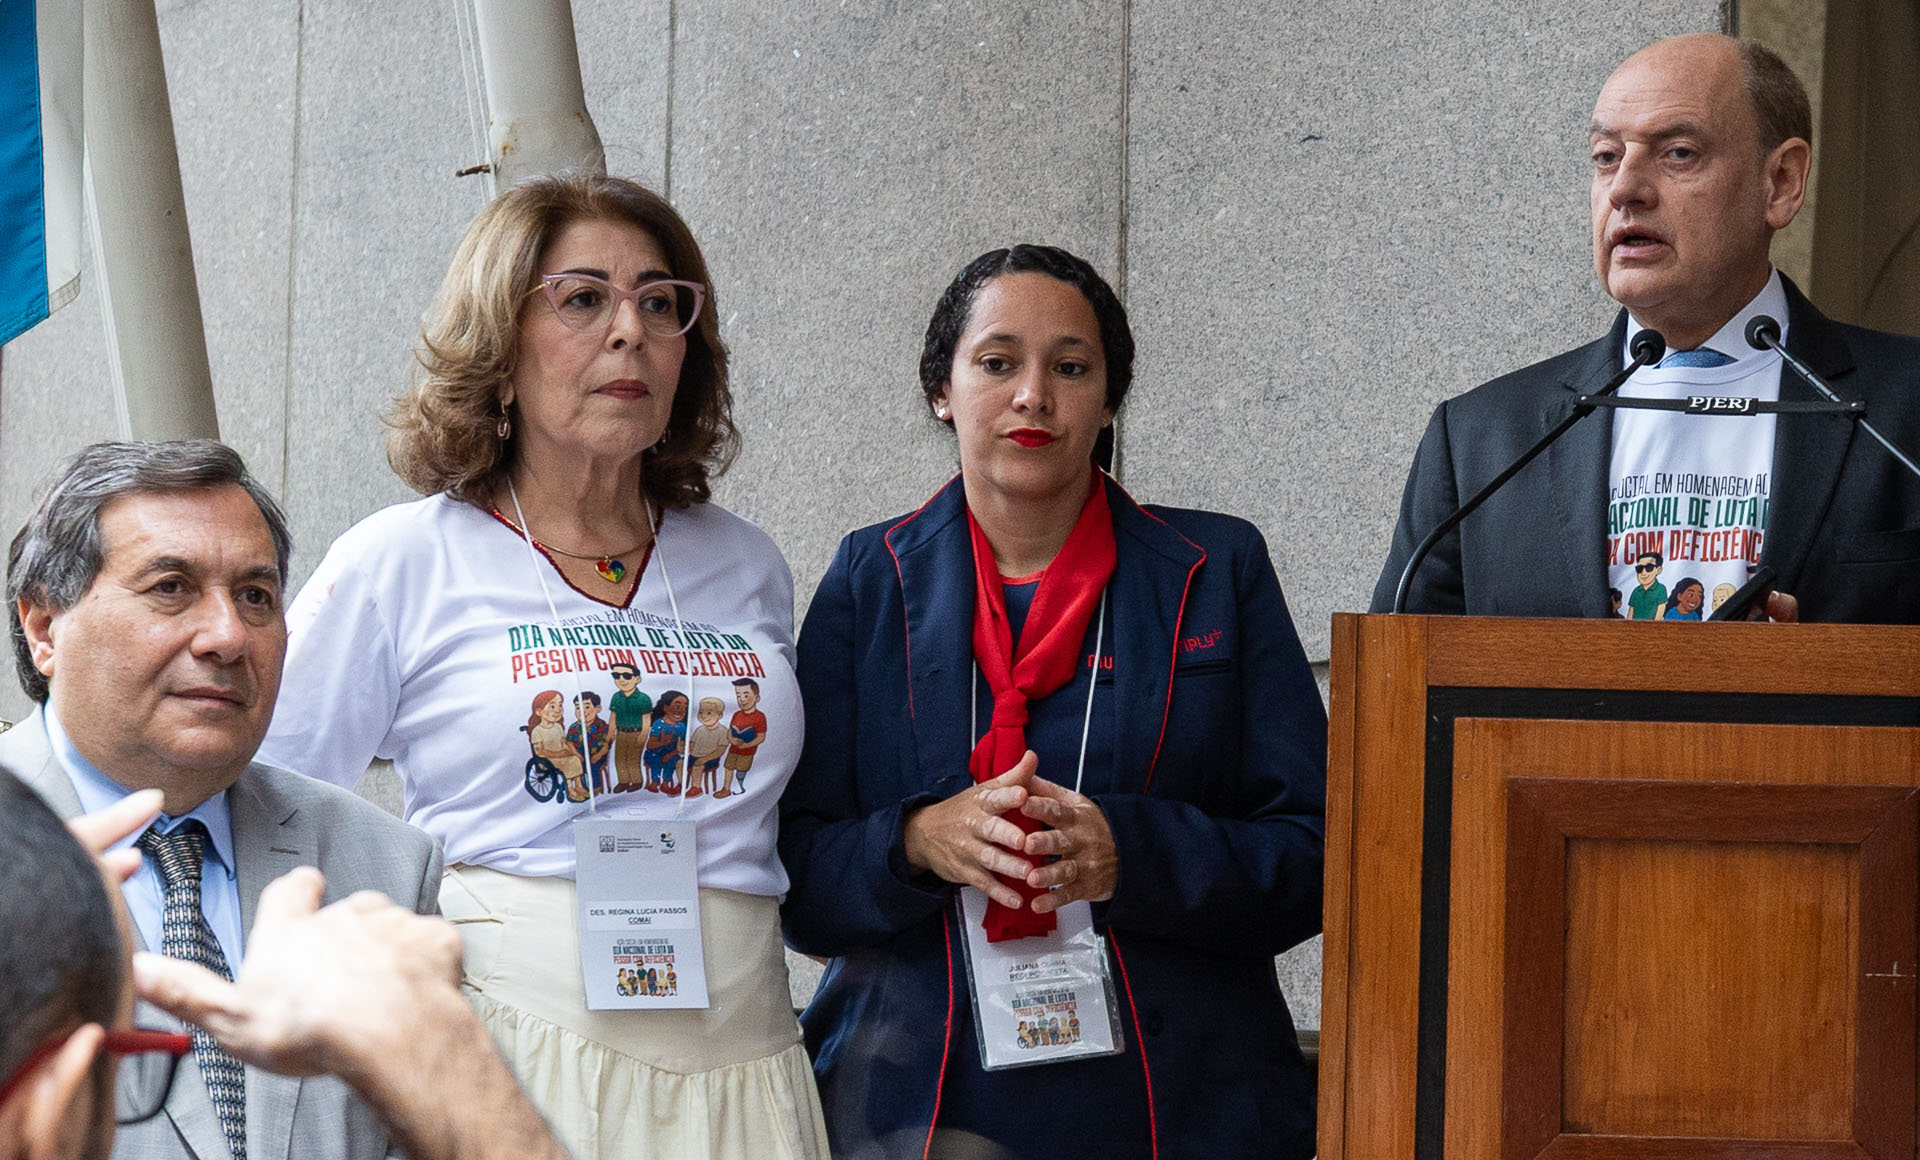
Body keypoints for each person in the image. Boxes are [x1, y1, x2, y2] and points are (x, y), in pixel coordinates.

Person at [255, 174, 829, 1160]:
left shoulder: (746, 563)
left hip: (748, 1063)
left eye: (661, 302)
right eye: (583, 298)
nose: (630, 331)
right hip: (511, 1059)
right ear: (500, 350)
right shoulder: (403, 560)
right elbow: (267, 799)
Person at [778, 245, 1327, 1158]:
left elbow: (1318, 852)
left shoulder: (1214, 570)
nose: (1033, 395)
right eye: (998, 363)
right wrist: (917, 841)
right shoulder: (869, 579)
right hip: (913, 1109)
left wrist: (1131, 853)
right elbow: (795, 876)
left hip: (1179, 1102)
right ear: (942, 390)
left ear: (1109, 401)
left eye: (1070, 368)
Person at [1374, 34, 1920, 623]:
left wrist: (1816, 668)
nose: (1624, 189)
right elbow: (1398, 670)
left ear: (1781, 182)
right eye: (1606, 156)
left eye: (1678, 153)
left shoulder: (1904, 410)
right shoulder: (1482, 440)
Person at [2, 440, 443, 1160]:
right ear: (45, 628)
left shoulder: (387, 868)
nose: (228, 636)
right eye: (170, 587)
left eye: (255, 596)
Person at [0, 775, 567, 1160]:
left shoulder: (393, 857)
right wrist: (454, 1076)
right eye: (134, 1051)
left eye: (258, 600)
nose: (226, 641)